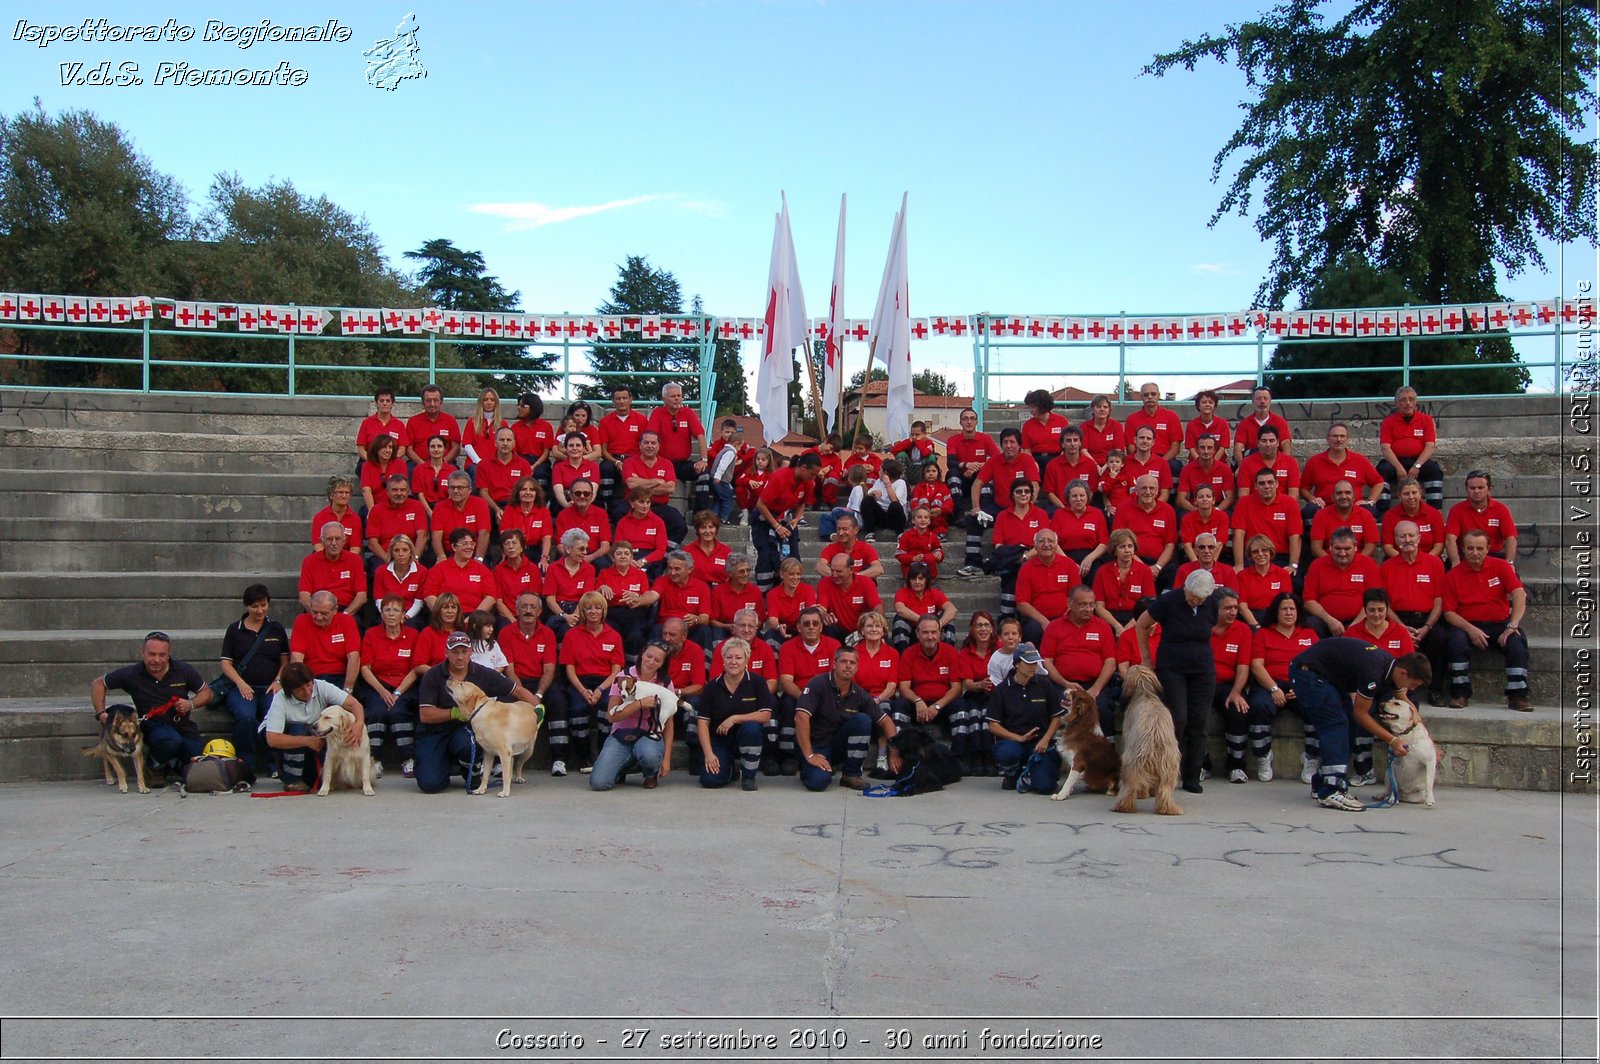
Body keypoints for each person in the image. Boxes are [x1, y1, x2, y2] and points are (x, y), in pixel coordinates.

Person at [1289, 639, 1430, 811]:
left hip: (1327, 678)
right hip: (1309, 674)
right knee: (1336, 724)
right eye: (1413, 684)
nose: (1413, 689)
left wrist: (1428, 740)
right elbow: (1361, 714)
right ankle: (1331, 790)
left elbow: (1408, 705)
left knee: (1347, 722)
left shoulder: (1390, 667)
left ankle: (1324, 782)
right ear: (1403, 673)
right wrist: (1393, 741)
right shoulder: (1374, 670)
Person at [414, 632, 540, 793]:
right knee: (430, 784)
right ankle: (445, 764)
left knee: (470, 742)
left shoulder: (483, 673)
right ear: (446, 653)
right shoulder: (433, 675)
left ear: (471, 652)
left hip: (464, 731)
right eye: (454, 652)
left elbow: (516, 690)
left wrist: (538, 708)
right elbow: (425, 715)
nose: (460, 657)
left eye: (464, 652)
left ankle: (470, 771)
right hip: (434, 732)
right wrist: (455, 713)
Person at [1135, 569, 1222, 794]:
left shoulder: (1211, 604)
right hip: (1172, 668)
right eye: (1193, 596)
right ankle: (1165, 772)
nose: (1196, 601)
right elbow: (1142, 625)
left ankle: (1193, 775)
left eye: (1200, 598)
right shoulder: (1168, 601)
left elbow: (1209, 627)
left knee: (1199, 723)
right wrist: (1146, 658)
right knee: (1177, 720)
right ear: (1186, 587)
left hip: (1202, 670)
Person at [91, 631, 214, 777]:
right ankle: (152, 766)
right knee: (170, 740)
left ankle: (175, 763)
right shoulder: (132, 673)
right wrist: (101, 713)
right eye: (152, 654)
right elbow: (98, 684)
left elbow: (207, 692)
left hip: (183, 726)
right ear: (143, 653)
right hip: (153, 726)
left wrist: (191, 704)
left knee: (197, 764)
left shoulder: (183, 670)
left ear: (168, 654)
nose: (156, 660)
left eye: (162, 655)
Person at [1442, 528, 1531, 710]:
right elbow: (1449, 612)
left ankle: (1517, 696)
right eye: (1470, 548)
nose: (1475, 552)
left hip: (1500, 624)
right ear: (1463, 549)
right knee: (1455, 641)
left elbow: (1519, 594)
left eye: (1480, 548)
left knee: (1516, 642)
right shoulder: (1452, 575)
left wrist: (1512, 625)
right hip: (1467, 625)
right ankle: (1460, 693)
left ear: (1488, 548)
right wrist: (1470, 629)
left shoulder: (1501, 566)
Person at [795, 646, 898, 791]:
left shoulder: (859, 693)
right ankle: (809, 768)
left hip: (838, 745)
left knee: (863, 720)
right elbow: (801, 717)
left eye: (853, 663)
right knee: (818, 782)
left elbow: (887, 722)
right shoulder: (818, 684)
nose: (848, 665)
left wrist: (893, 752)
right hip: (816, 745)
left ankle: (851, 775)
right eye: (844, 661)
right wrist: (810, 755)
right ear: (834, 664)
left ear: (857, 667)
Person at [216, 584, 289, 775]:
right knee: (245, 718)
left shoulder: (276, 629)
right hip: (241, 687)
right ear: (246, 606)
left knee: (273, 716)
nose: (260, 610)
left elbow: (285, 661)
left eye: (263, 605)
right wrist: (240, 683)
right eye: (255, 606)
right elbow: (226, 663)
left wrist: (278, 681)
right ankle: (246, 763)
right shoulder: (234, 630)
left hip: (270, 687)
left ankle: (275, 764)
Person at [1249, 593, 1320, 784]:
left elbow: (1317, 666)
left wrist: (1302, 686)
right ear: (1276, 612)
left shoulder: (1309, 634)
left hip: (1299, 685)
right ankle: (1263, 756)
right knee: (1258, 706)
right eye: (1284, 609)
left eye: (1292, 609)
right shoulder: (1263, 634)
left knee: (1317, 707)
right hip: (1270, 684)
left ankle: (1311, 758)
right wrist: (1273, 689)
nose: (1289, 613)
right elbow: (1256, 665)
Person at [899, 615, 985, 774]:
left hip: (943, 705)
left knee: (961, 705)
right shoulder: (908, 653)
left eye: (933, 632)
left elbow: (957, 688)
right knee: (899, 706)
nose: (930, 636)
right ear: (917, 634)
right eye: (925, 632)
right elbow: (903, 687)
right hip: (918, 706)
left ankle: (959, 757)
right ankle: (900, 757)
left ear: (940, 634)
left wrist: (937, 706)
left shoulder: (951, 652)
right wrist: (918, 701)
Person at [263, 662, 365, 793]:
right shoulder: (280, 699)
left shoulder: (321, 686)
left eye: (308, 685)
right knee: (297, 729)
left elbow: (354, 705)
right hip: (283, 737)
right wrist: (306, 741)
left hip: (314, 734)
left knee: (316, 780)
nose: (307, 691)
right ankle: (292, 781)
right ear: (290, 690)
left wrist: (358, 725)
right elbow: (272, 739)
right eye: (300, 689)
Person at [555, 592, 625, 775]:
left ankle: (604, 755)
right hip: (580, 682)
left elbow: (616, 669)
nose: (593, 611)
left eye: (597, 607)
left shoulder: (614, 635)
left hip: (606, 681)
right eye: (588, 608)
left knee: (607, 710)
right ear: (583, 612)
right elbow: (569, 669)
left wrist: (601, 689)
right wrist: (583, 690)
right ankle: (584, 757)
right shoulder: (572, 635)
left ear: (604, 610)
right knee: (578, 711)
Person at [1380, 519, 1449, 706]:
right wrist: (1402, 628)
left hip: (1428, 620)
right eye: (1402, 536)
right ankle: (1394, 690)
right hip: (1398, 619)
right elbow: (1385, 604)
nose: (1407, 539)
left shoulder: (1434, 563)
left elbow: (1439, 600)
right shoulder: (1387, 567)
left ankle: (1436, 690)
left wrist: (1427, 627)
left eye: (1411, 535)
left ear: (1419, 538)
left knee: (1441, 638)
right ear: (1395, 540)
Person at [590, 641, 675, 791]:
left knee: (649, 754)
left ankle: (650, 773)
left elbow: (668, 723)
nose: (651, 662)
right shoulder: (623, 676)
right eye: (649, 656)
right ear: (642, 654)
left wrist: (667, 758)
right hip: (621, 734)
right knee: (599, 783)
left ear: (662, 664)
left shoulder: (665, 682)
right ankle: (623, 766)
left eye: (657, 660)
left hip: (650, 735)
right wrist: (639, 704)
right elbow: (611, 716)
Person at [986, 643, 1067, 793]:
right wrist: (1018, 738)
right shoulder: (1003, 689)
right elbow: (993, 725)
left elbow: (1057, 717)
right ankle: (1012, 772)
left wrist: (1045, 739)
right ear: (1017, 664)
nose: (1033, 667)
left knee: (1045, 787)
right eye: (1028, 663)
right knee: (1008, 752)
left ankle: (1034, 772)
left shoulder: (1045, 685)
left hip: (1040, 743)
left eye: (1035, 663)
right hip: (1013, 741)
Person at [959, 428, 1040, 577]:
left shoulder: (1027, 460)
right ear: (1001, 445)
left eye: (1012, 442)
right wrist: (976, 507)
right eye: (1005, 442)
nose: (1009, 445)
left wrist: (1029, 506)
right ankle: (972, 563)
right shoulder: (994, 461)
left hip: (1021, 508)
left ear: (1019, 445)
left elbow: (1034, 485)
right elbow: (977, 484)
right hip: (999, 508)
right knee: (972, 519)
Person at [698, 637, 775, 790]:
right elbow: (702, 722)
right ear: (723, 660)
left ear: (746, 660)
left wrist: (735, 718)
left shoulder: (757, 682)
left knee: (751, 728)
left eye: (738, 658)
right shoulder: (712, 686)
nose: (733, 661)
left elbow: (766, 715)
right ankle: (731, 771)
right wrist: (709, 754)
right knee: (710, 781)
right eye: (729, 657)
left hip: (747, 736)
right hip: (719, 739)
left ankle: (748, 776)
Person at [1040, 584, 1118, 734]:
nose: (1088, 609)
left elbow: (1110, 662)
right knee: (1058, 709)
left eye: (1091, 605)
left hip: (1094, 684)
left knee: (1104, 709)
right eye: (1083, 605)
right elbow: (1047, 662)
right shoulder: (1054, 627)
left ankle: (1106, 751)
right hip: (1062, 685)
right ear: (1070, 603)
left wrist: (1095, 690)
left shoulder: (1103, 627)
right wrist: (1065, 683)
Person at [358, 595, 421, 778]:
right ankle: (373, 759)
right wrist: (383, 691)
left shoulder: (413, 635)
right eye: (387, 610)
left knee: (398, 711)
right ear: (381, 613)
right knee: (376, 711)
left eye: (396, 610)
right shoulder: (371, 634)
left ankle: (408, 758)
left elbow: (416, 668)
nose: (391, 615)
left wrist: (398, 691)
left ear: (403, 614)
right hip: (377, 684)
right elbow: (365, 668)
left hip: (404, 685)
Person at [775, 607, 841, 775]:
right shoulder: (788, 647)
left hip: (827, 696)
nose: (811, 627)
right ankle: (788, 755)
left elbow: (838, 679)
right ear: (798, 627)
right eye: (806, 624)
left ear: (821, 627)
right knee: (788, 704)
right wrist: (805, 699)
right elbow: (786, 681)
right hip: (799, 694)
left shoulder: (834, 646)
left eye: (815, 623)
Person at [753, 452, 821, 590]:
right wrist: (776, 526)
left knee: (792, 554)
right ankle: (764, 592)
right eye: (812, 473)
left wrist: (796, 519)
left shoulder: (808, 483)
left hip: (785, 517)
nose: (813, 477)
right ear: (803, 467)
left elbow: (803, 503)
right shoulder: (780, 477)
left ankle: (788, 588)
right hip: (764, 518)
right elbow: (761, 504)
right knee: (766, 554)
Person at [1207, 588, 1255, 782]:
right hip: (1204, 683)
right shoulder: (1202, 627)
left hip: (1229, 685)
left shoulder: (1243, 630)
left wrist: (1236, 692)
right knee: (1192, 714)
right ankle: (1202, 764)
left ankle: (1236, 765)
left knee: (1239, 709)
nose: (1233, 612)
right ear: (1215, 609)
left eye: (1235, 607)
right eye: (1227, 608)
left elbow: (1243, 666)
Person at [987, 480, 1052, 621]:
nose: (1023, 494)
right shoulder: (1003, 516)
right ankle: (1006, 619)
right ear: (1012, 495)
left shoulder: (1040, 514)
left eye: (1027, 491)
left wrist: (1025, 557)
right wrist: (1015, 556)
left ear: (1032, 495)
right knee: (1012, 573)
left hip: (1035, 558)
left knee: (1023, 569)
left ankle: (1022, 619)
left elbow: (1045, 542)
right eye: (1019, 491)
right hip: (1011, 558)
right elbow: (998, 545)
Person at [1301, 527, 1383, 638]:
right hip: (1325, 620)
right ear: (1330, 547)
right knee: (1310, 624)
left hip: (1360, 621)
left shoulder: (1368, 564)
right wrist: (1330, 621)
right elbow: (1309, 601)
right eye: (1338, 548)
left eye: (1347, 548)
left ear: (1355, 547)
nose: (1342, 553)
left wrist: (1354, 626)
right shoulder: (1317, 565)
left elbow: (1374, 600)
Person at [1300, 423, 1385, 524]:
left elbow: (1379, 482)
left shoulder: (1359, 460)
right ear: (1327, 439)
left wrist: (1370, 501)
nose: (1339, 439)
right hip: (1324, 507)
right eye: (1335, 436)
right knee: (1308, 511)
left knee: (1372, 512)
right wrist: (1312, 499)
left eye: (1342, 436)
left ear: (1347, 439)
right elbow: (1303, 488)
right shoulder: (1314, 462)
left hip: (1353, 506)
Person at [1378, 385, 1444, 511]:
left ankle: (1434, 511)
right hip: (1396, 461)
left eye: (1411, 399)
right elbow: (1385, 448)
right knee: (1382, 470)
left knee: (1435, 470)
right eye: (1403, 400)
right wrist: (1398, 468)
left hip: (1419, 461)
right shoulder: (1388, 422)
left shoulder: (1426, 420)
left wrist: (1417, 466)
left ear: (1416, 402)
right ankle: (1382, 512)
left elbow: (1430, 446)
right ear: (1396, 403)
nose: (1408, 403)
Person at [648, 382, 710, 513]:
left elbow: (700, 435)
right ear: (664, 399)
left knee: (704, 473)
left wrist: (703, 460)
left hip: (682, 464)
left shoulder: (688, 413)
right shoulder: (657, 413)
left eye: (679, 395)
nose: (677, 399)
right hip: (662, 463)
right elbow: (650, 437)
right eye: (672, 396)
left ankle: (700, 513)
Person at [618, 430, 688, 545]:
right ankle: (629, 547)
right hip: (633, 505)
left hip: (658, 506)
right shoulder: (629, 462)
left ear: (659, 446)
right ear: (640, 445)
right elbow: (631, 484)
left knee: (679, 523)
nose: (650, 446)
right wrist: (657, 481)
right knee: (618, 513)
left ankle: (666, 551)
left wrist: (641, 485)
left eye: (653, 443)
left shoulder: (666, 464)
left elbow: (670, 488)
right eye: (646, 443)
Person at [1231, 467, 1302, 577]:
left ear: (1277, 483)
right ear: (1255, 486)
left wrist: (1293, 565)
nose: (1267, 486)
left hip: (1280, 557)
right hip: (1253, 557)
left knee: (1295, 581)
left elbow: (1295, 537)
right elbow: (1238, 535)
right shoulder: (1244, 503)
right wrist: (1239, 564)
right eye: (1262, 483)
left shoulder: (1290, 503)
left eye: (1270, 482)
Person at [1114, 474, 1179, 591]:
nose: (1148, 492)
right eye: (1143, 488)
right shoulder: (1123, 508)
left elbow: (1170, 544)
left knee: (1174, 573)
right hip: (1131, 560)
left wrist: (1157, 567)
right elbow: (1118, 541)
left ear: (1157, 491)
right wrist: (1143, 567)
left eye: (1151, 488)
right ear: (1136, 490)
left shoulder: (1168, 510)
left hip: (1160, 563)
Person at [1015, 529, 1081, 645]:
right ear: (1035, 546)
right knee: (1032, 630)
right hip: (1036, 619)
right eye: (1042, 541)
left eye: (1050, 541)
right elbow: (1022, 603)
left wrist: (1062, 619)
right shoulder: (1026, 568)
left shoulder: (1069, 565)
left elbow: (1077, 597)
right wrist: (1043, 621)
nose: (1046, 545)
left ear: (1056, 545)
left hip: (1065, 616)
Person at [289, 590, 360, 691]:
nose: (318, 617)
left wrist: (347, 689)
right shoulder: (301, 621)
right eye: (314, 612)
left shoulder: (346, 621)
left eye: (324, 613)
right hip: (311, 678)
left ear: (335, 610)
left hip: (339, 678)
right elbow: (297, 658)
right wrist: (304, 685)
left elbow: (354, 658)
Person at [1445, 470, 1519, 566]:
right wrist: (1455, 562)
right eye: (1472, 488)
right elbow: (1450, 539)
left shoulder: (1501, 510)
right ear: (1467, 489)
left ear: (1489, 489)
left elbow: (1511, 538)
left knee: (1513, 578)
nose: (1476, 491)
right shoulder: (1456, 510)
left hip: (1494, 557)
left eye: (1480, 488)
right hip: (1466, 557)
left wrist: (1509, 563)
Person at [598, 540, 657, 657]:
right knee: (609, 635)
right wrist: (601, 588)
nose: (623, 556)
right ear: (613, 557)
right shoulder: (604, 574)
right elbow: (594, 597)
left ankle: (632, 666)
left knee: (636, 635)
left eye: (626, 553)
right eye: (619, 553)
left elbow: (646, 599)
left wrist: (638, 597)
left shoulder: (640, 574)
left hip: (634, 612)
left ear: (631, 557)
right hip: (612, 613)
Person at [1092, 528, 1154, 636]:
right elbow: (1099, 606)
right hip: (1110, 619)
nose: (1127, 550)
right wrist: (1117, 627)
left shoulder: (1145, 571)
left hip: (1135, 619)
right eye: (1122, 546)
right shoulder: (1102, 571)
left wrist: (1126, 630)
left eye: (1130, 546)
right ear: (1114, 550)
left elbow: (1148, 606)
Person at [423, 527, 498, 616]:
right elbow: (429, 596)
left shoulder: (483, 570)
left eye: (472, 544)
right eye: (465, 544)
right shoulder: (438, 569)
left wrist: (474, 617)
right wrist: (445, 614)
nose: (469, 547)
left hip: (474, 617)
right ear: (454, 547)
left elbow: (490, 597)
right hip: (446, 616)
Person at [298, 521, 367, 615]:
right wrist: (318, 615)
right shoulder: (309, 561)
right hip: (317, 610)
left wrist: (345, 615)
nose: (334, 543)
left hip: (346, 610)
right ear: (322, 541)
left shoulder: (355, 560)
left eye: (338, 539)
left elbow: (362, 596)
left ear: (344, 540)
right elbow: (304, 596)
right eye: (329, 539)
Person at [597, 384, 649, 508]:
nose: (621, 401)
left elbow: (645, 445)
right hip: (613, 458)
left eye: (624, 398)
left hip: (634, 458)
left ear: (631, 399)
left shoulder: (641, 420)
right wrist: (616, 462)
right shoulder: (605, 421)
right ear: (613, 401)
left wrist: (630, 462)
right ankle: (606, 504)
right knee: (605, 468)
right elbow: (603, 450)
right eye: (618, 398)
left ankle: (638, 504)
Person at [651, 550, 714, 650]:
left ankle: (705, 664)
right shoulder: (662, 581)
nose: (672, 573)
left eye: (677, 569)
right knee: (656, 629)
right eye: (670, 568)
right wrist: (639, 599)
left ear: (689, 569)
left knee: (704, 630)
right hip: (666, 626)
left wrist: (696, 619)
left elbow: (705, 618)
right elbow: (652, 595)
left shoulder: (702, 587)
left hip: (689, 628)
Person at [543, 528, 599, 639]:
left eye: (586, 549)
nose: (585, 553)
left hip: (580, 609)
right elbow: (550, 600)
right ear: (568, 549)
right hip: (558, 610)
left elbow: (585, 597)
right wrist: (564, 616)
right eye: (581, 549)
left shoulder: (589, 569)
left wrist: (574, 617)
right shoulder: (554, 568)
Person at [365, 474, 429, 568]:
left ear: (408, 492)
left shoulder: (417, 506)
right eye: (394, 490)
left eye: (402, 490)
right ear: (387, 492)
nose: (399, 493)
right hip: (385, 556)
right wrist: (387, 559)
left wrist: (415, 557)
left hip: (411, 555)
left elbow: (422, 536)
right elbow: (372, 542)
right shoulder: (376, 510)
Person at [817, 552, 882, 643]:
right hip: (837, 631)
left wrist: (874, 625)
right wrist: (823, 614)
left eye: (839, 571)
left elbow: (877, 606)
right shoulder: (824, 583)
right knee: (826, 624)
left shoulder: (865, 582)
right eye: (832, 570)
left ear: (851, 569)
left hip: (860, 631)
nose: (834, 575)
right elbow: (821, 608)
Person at [1052, 480, 1110, 581]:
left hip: (1091, 557)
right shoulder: (1059, 514)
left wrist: (1089, 559)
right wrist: (1069, 563)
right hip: (1065, 557)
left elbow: (1104, 542)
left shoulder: (1096, 514)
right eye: (1074, 496)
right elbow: (1053, 542)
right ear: (1068, 498)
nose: (1078, 499)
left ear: (1087, 497)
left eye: (1082, 495)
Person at [1124, 381, 1184, 479]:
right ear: (1141, 397)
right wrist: (1144, 462)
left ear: (1159, 395)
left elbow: (1175, 447)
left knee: (1175, 467)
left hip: (1165, 459)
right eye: (1146, 394)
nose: (1150, 397)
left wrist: (1160, 462)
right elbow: (1130, 447)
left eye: (1153, 394)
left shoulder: (1171, 417)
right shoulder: (1132, 419)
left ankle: (1171, 494)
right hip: (1140, 458)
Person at [1308, 480, 1381, 558]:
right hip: (1329, 564)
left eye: (1347, 493)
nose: (1343, 496)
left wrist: (1355, 563)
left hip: (1359, 564)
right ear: (1332, 497)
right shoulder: (1321, 515)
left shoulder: (1366, 515)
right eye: (1339, 493)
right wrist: (1334, 563)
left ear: (1354, 497)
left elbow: (1370, 546)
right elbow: (1316, 548)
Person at [713, 609, 779, 695]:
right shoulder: (723, 647)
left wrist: (753, 698)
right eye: (742, 625)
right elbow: (715, 680)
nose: (746, 630)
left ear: (756, 628)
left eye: (750, 626)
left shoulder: (765, 648)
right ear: (734, 627)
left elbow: (772, 682)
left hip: (759, 697)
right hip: (729, 697)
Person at [429, 471, 491, 562]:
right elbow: (436, 537)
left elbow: (484, 533)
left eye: (460, 488)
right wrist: (441, 556)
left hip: (474, 552)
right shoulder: (439, 507)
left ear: (469, 490)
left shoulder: (480, 504)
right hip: (450, 553)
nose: (455, 491)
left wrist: (479, 558)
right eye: (452, 487)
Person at [945, 407, 999, 511]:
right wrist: (966, 465)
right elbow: (950, 462)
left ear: (976, 422)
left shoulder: (985, 438)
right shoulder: (953, 440)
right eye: (965, 419)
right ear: (960, 422)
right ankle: (958, 511)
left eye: (972, 418)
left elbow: (997, 459)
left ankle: (985, 511)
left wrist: (977, 466)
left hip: (979, 478)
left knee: (987, 473)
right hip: (962, 479)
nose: (969, 422)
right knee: (952, 473)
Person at [1235, 533, 1293, 629]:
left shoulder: (1282, 574)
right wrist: (1256, 626)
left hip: (1275, 618)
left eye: (1264, 550)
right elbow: (1242, 607)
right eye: (1255, 552)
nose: (1260, 554)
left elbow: (1286, 603)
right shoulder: (1242, 576)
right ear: (1250, 555)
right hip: (1251, 617)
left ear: (1270, 552)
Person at [1380, 476, 1446, 559]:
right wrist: (1407, 561)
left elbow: (1439, 545)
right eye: (1406, 494)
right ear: (1399, 496)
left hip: (1429, 560)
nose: (1411, 497)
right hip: (1399, 561)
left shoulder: (1434, 514)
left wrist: (1424, 561)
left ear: (1420, 493)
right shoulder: (1389, 516)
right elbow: (1388, 547)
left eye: (1414, 492)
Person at [476, 427, 532, 522]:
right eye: (502, 440)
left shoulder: (524, 465)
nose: (505, 443)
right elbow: (483, 492)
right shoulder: (483, 465)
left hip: (515, 504)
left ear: (514, 443)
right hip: (492, 506)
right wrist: (496, 509)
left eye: (509, 440)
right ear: (495, 443)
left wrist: (510, 511)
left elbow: (526, 491)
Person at [613, 487, 671, 577]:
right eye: (641, 502)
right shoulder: (623, 522)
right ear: (632, 503)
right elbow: (618, 546)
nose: (645, 506)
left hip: (650, 557)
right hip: (628, 555)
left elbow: (661, 550)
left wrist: (643, 561)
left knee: (648, 571)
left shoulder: (658, 522)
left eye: (648, 502)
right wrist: (629, 560)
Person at [552, 479, 612, 566]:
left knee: (603, 564)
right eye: (578, 493)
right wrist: (574, 557)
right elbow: (560, 545)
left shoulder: (601, 514)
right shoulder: (563, 515)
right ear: (571, 496)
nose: (582, 496)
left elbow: (605, 546)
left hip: (593, 556)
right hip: (569, 555)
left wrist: (590, 557)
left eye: (586, 493)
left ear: (591, 496)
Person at [1235, 424, 1300, 503]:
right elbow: (1243, 496)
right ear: (1258, 443)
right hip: (1255, 509)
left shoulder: (1290, 462)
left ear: (1278, 442)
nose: (1268, 444)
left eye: (1272, 440)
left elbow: (1293, 495)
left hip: (1282, 510)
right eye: (1264, 441)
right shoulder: (1246, 463)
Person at [763, 555, 817, 650]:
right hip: (783, 630)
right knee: (770, 634)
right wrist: (779, 626)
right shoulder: (773, 594)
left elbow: (811, 614)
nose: (795, 577)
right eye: (791, 574)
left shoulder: (808, 590)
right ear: (782, 574)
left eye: (798, 574)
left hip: (803, 628)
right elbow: (772, 620)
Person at [499, 476, 555, 567]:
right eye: (524, 489)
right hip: (514, 550)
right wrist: (505, 556)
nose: (528, 493)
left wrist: (544, 558)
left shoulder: (543, 511)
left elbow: (546, 537)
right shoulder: (509, 510)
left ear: (536, 493)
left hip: (535, 552)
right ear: (518, 493)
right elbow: (504, 535)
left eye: (532, 490)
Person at [708, 554, 764, 644]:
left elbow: (760, 620)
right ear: (730, 573)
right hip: (725, 630)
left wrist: (746, 628)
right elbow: (712, 621)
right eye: (741, 571)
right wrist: (728, 626)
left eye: (748, 570)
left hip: (748, 631)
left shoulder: (755, 591)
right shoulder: (719, 591)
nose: (746, 574)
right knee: (716, 632)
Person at [1042, 426, 1098, 513]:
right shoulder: (1052, 465)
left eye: (1075, 440)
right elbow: (1050, 493)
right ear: (1062, 444)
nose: (1072, 444)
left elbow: (1091, 491)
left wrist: (1080, 507)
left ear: (1080, 443)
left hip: (1083, 506)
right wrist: (1064, 509)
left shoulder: (1090, 464)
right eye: (1068, 440)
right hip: (1060, 507)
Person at [491, 529, 542, 626]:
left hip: (528, 613)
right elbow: (499, 602)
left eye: (514, 543)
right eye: (506, 544)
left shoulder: (532, 568)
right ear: (503, 549)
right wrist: (513, 621)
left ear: (522, 547)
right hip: (507, 616)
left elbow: (533, 598)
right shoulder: (498, 570)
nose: (510, 547)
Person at [818, 512, 885, 582]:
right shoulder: (831, 548)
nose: (840, 533)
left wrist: (853, 577)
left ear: (856, 530)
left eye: (845, 529)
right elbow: (820, 566)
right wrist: (838, 576)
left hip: (859, 586)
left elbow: (878, 569)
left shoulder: (865, 548)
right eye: (838, 529)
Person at [1176, 433, 1235, 513]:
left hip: (1218, 507)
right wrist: (1196, 511)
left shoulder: (1225, 469)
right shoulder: (1187, 470)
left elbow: (1230, 498)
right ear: (1197, 449)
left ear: (1214, 450)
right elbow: (1181, 499)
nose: (1206, 451)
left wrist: (1217, 510)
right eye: (1202, 448)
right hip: (1194, 508)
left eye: (1209, 448)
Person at [1232, 385, 1292, 463]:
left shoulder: (1280, 422)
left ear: (1270, 401)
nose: (1262, 401)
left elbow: (1286, 445)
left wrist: (1284, 465)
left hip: (1274, 462)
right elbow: (1238, 448)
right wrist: (1241, 466)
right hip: (1252, 463)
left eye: (1265, 398)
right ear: (1252, 401)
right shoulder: (1244, 424)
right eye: (1258, 398)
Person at [1349, 588, 1416, 657]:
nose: (1376, 614)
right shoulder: (1351, 633)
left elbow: (1409, 663)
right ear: (1365, 609)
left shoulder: (1401, 632)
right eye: (1371, 610)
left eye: (1381, 610)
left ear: (1387, 609)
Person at [404, 383, 460, 465]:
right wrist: (423, 465)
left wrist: (442, 463)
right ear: (423, 402)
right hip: (418, 464)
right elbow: (408, 449)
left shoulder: (450, 420)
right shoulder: (413, 421)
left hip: (445, 464)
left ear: (441, 402)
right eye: (428, 400)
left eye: (436, 400)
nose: (432, 404)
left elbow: (456, 447)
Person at [1020, 389, 1071, 470]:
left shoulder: (1061, 421)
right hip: (1036, 461)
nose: (1031, 410)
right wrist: (1033, 464)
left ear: (1041, 405)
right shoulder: (1027, 425)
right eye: (1029, 407)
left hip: (1058, 460)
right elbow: (1027, 450)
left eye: (1033, 407)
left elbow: (1068, 444)